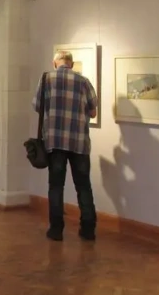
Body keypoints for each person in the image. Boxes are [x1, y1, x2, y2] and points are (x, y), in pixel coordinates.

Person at [33, 51, 98, 242]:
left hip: (54, 142)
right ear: (72, 63)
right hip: (79, 142)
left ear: (55, 63)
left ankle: (56, 230)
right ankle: (88, 229)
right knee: (83, 186)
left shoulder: (46, 79)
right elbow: (93, 112)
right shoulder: (83, 81)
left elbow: (37, 106)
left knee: (56, 186)